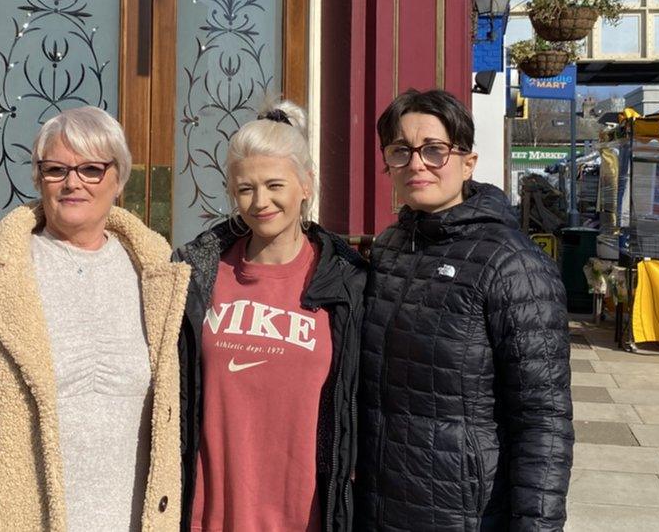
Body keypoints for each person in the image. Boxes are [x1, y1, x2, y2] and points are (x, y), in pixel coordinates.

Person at [0, 107, 191, 531]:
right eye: (56, 169)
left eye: (91, 169)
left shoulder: (156, 273)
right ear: (38, 178)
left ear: (119, 180)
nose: (72, 182)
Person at [355, 89, 573, 531]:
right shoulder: (390, 248)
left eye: (434, 150)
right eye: (401, 151)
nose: (417, 164)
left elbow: (543, 422)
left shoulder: (513, 264)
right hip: (379, 504)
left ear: (467, 162)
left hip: (465, 513)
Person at [175, 100, 366, 531]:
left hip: (309, 516)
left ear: (306, 185)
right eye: (246, 189)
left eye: (275, 185)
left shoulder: (348, 283)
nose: (261, 201)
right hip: (213, 517)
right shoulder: (196, 275)